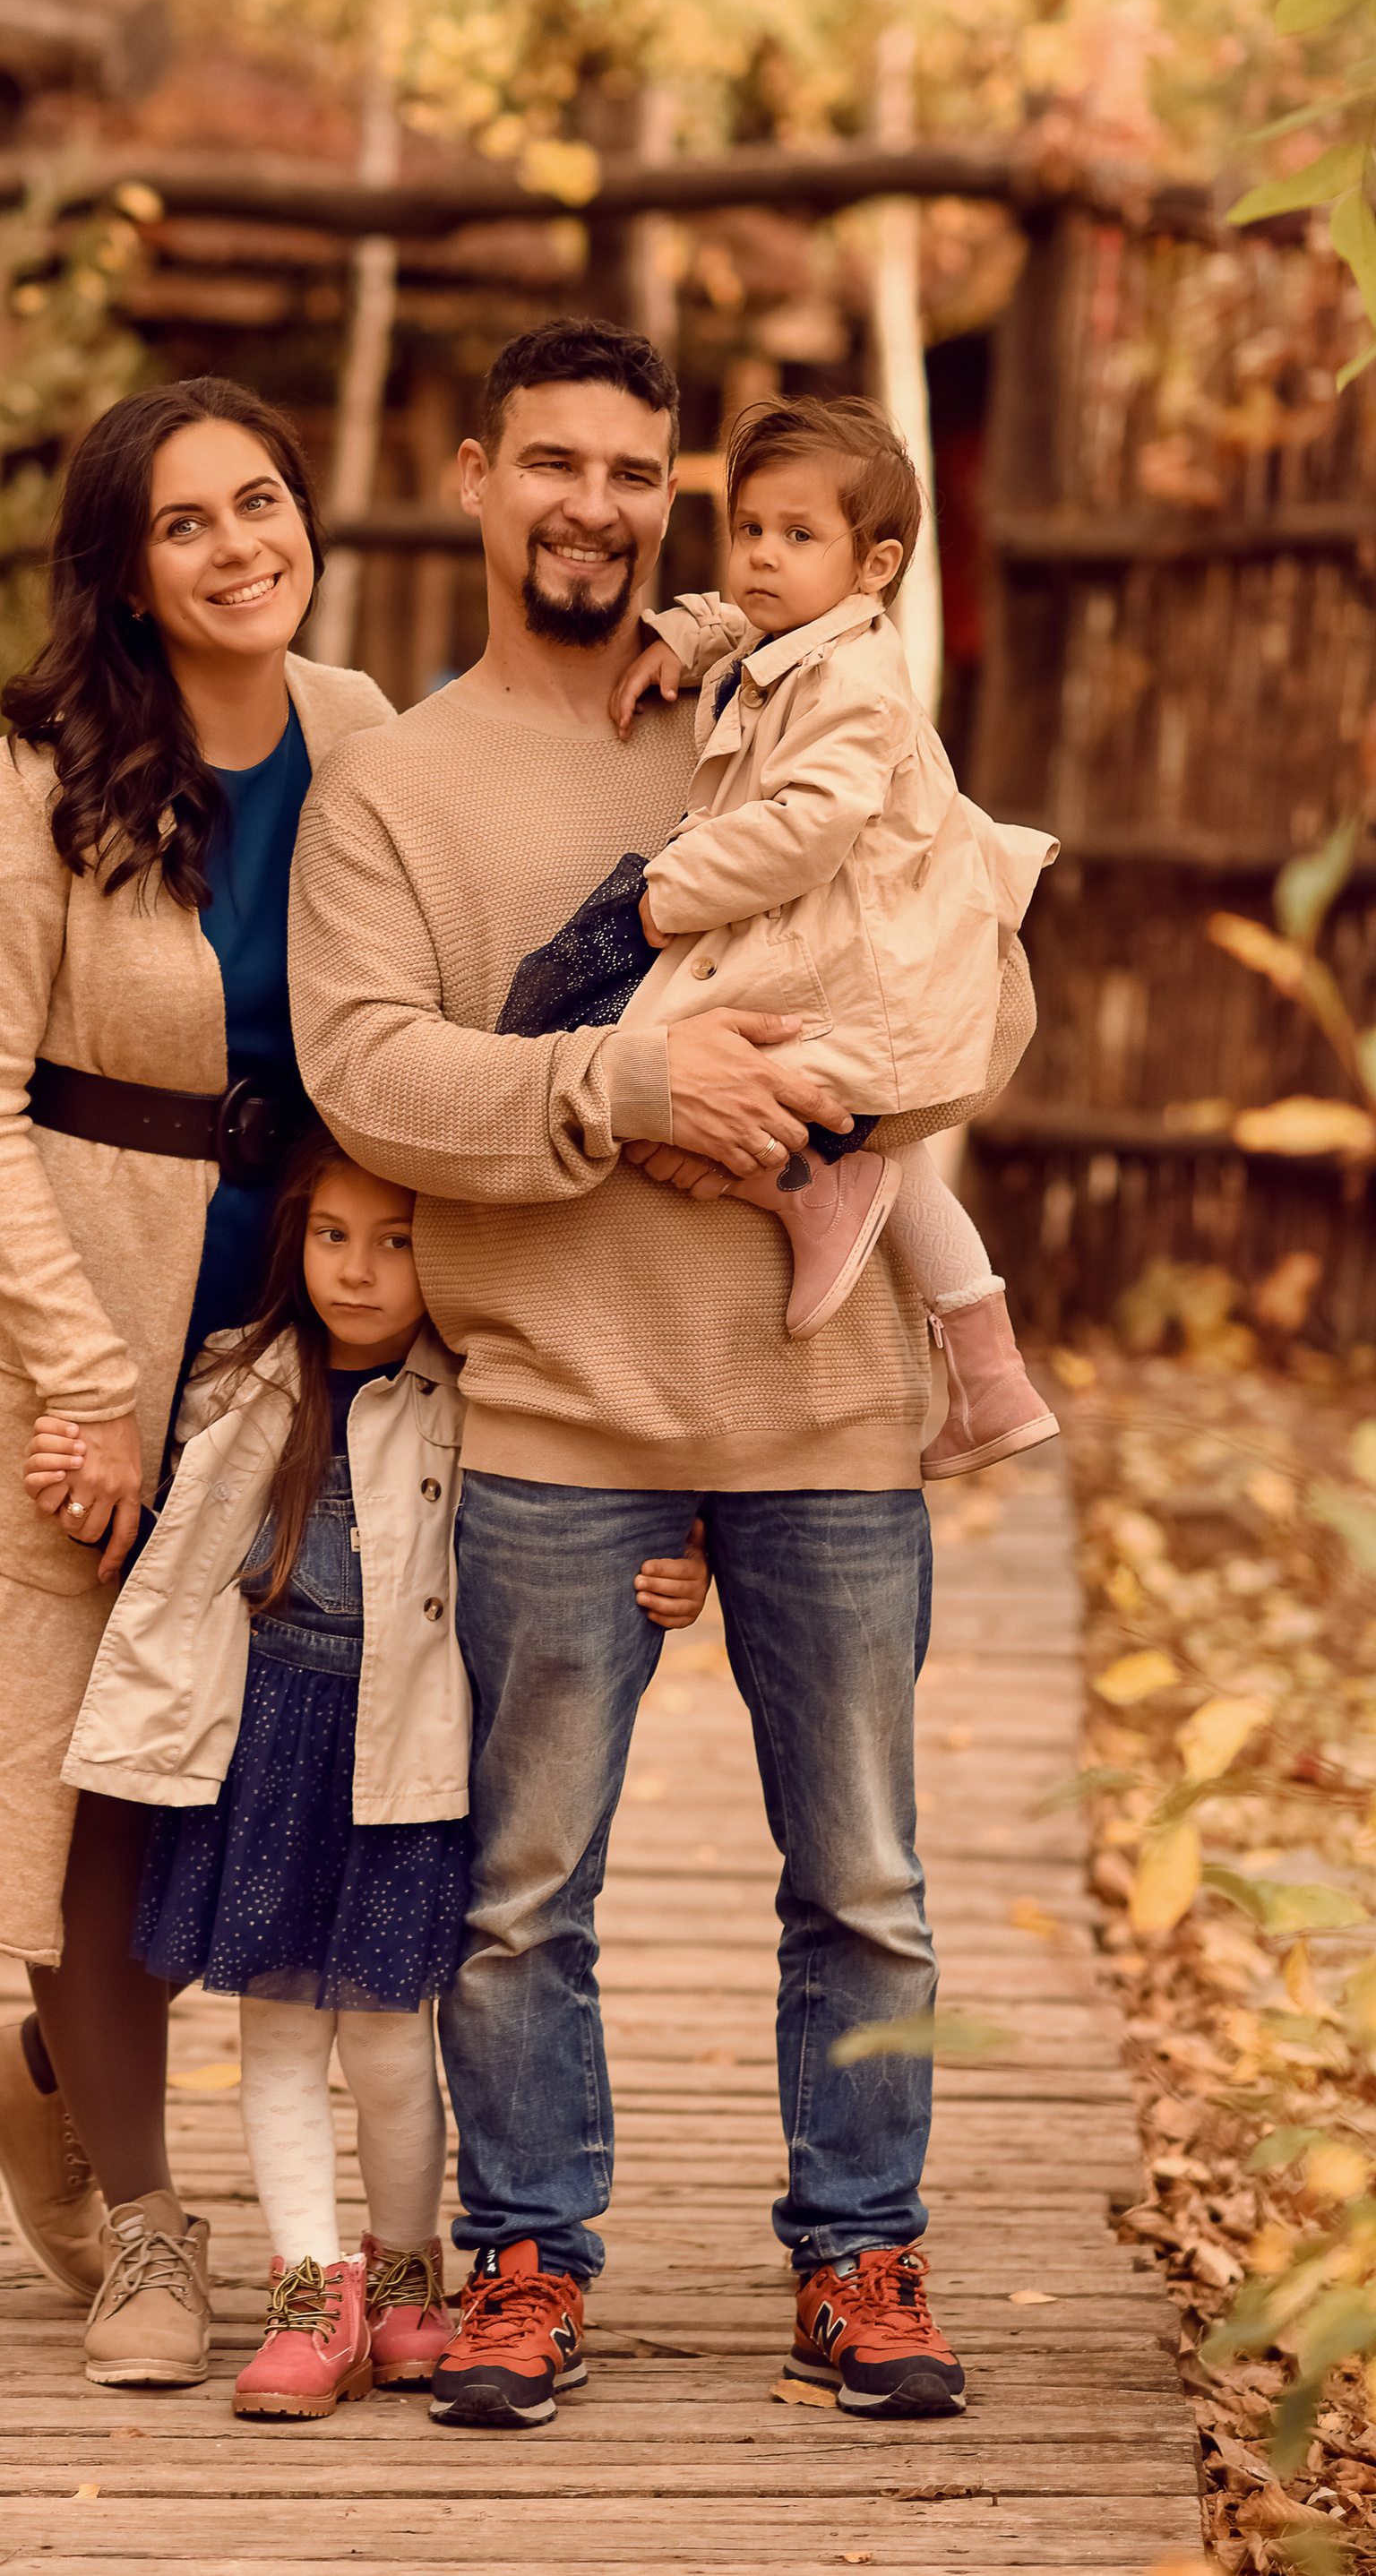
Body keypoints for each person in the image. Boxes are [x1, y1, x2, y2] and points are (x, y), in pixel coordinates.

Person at [288, 317, 1038, 2434]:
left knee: (863, 1881)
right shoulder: (401, 788)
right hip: (554, 1411)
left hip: (817, 1410)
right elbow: (366, 1072)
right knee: (521, 1895)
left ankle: (858, 2248)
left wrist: (887, 1075)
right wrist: (626, 1084)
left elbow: (950, 948)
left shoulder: (782, 694)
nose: (593, 506)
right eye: (552, 463)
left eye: (634, 470)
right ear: (470, 477)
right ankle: (529, 2259)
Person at [0, 378, 392, 2392]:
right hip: (90, 1308)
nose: (234, 544)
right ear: (123, 566)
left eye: (256, 500)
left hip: (308, 1318)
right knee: (90, 1773)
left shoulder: (364, 732)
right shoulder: (33, 782)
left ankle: (39, 2077)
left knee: (258, 1755)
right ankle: (150, 2232)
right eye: (183, 522)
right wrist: (82, 1379)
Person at [33, 1138, 711, 2417]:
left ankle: (407, 2281)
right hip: (270, 1748)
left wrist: (680, 1563)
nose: (357, 1269)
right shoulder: (238, 1379)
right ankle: (308, 2289)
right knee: (278, 2034)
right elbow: (159, 1527)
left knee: (395, 2044)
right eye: (332, 1235)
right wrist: (76, 1475)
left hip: (408, 1756)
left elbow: (575, 1515)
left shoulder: (471, 1392)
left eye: (395, 1239)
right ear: (293, 1238)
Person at [568, 393, 1061, 1478]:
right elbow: (743, 625)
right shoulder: (807, 638)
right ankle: (991, 1377)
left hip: (856, 963)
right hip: (858, 954)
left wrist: (666, 893)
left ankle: (814, 1199)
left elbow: (807, 827)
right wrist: (682, 637)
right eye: (748, 530)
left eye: (797, 537)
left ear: (874, 565)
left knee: (639, 1066)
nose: (759, 558)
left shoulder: (856, 685)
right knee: (874, 1151)